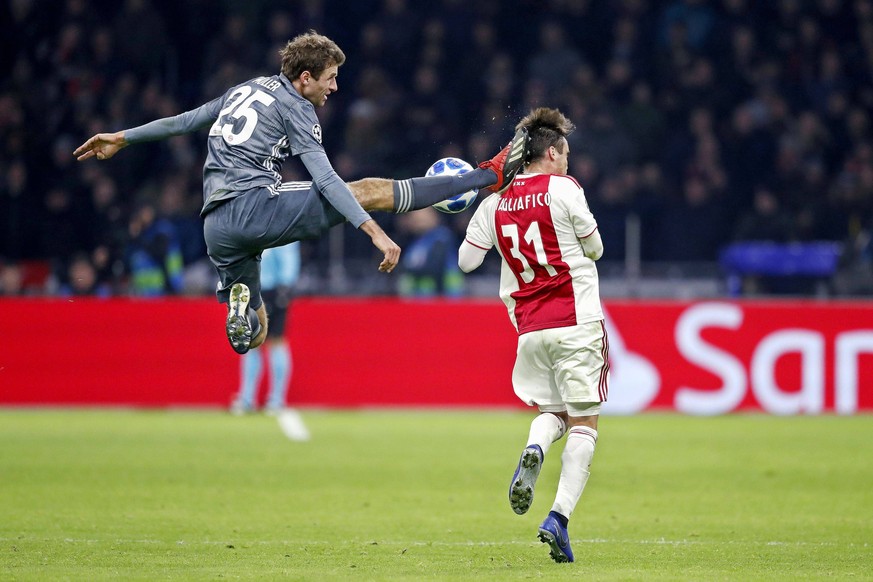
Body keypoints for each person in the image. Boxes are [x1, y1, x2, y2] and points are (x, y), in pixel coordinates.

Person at [74, 30, 529, 354]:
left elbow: (186, 120)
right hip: (254, 205)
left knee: (256, 333)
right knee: (366, 188)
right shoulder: (299, 109)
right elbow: (328, 181)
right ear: (305, 77)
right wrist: (374, 232)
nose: (334, 88)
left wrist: (123, 136)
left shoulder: (244, 89)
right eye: (329, 78)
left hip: (217, 226)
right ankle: (487, 176)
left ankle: (240, 304)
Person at [458, 107, 607, 564]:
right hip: (576, 320)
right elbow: (596, 249)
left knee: (552, 412)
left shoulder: (494, 203)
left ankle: (536, 446)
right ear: (550, 153)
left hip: (530, 329)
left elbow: (466, 262)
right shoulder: (564, 189)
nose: (568, 163)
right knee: (585, 423)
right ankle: (558, 518)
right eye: (564, 154)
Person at [231, 242, 303, 418]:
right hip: (255, 288)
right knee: (254, 343)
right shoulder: (263, 223)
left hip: (271, 289)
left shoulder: (277, 223)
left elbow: (288, 256)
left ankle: (273, 399)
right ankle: (252, 399)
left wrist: (285, 286)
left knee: (273, 342)